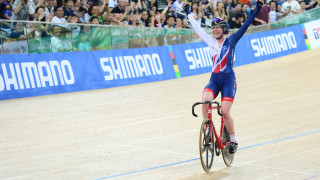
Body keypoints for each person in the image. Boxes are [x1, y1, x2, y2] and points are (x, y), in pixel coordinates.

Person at [183, 0, 264, 154]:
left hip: (228, 81)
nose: (214, 30)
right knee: (205, 100)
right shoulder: (210, 41)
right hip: (214, 80)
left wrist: (256, 10)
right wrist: (187, 11)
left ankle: (232, 139)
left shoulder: (231, 41)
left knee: (225, 111)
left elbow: (245, 25)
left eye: (217, 27)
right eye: (213, 27)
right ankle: (208, 130)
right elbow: (197, 28)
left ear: (224, 29)